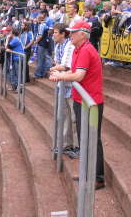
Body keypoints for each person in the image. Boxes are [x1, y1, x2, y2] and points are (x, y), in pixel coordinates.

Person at [49, 21, 105, 190]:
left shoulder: (86, 49)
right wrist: (62, 72)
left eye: (73, 32)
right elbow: (74, 72)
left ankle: (97, 177)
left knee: (92, 139)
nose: (70, 34)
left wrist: (60, 76)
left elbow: (79, 76)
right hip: (82, 100)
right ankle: (88, 173)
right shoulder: (79, 49)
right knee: (84, 139)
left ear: (82, 34)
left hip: (91, 102)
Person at [50, 23, 78, 158]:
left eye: (56, 32)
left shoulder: (69, 45)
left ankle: (78, 147)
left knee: (74, 117)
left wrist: (54, 69)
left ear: (63, 34)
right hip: (63, 85)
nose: (53, 34)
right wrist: (56, 68)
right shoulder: (58, 46)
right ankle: (67, 145)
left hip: (73, 86)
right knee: (65, 116)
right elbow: (57, 64)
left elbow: (66, 66)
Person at [33, 12, 54, 80]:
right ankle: (43, 73)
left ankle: (38, 74)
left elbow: (40, 35)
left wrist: (35, 42)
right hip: (44, 43)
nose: (36, 20)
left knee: (41, 59)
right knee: (44, 58)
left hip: (42, 44)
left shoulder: (42, 25)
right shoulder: (45, 25)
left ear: (39, 19)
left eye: (37, 19)